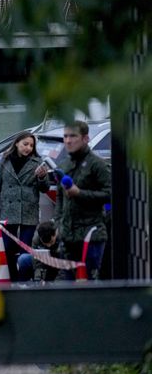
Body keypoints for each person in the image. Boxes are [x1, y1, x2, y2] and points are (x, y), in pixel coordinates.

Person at [0, 132, 49, 281]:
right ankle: (13, 280)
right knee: (7, 249)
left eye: (31, 145)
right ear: (16, 143)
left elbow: (44, 188)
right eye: (25, 144)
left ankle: (24, 281)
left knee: (25, 251)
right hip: (8, 212)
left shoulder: (37, 162)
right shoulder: (4, 161)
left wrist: (41, 177)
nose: (28, 148)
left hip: (28, 211)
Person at [54, 120, 111, 280]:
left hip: (91, 236)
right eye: (65, 136)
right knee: (69, 288)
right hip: (67, 237)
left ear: (85, 138)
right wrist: (58, 222)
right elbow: (60, 197)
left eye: (73, 136)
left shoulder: (97, 164)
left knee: (88, 287)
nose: (68, 140)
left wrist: (79, 193)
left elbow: (109, 194)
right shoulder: (65, 165)